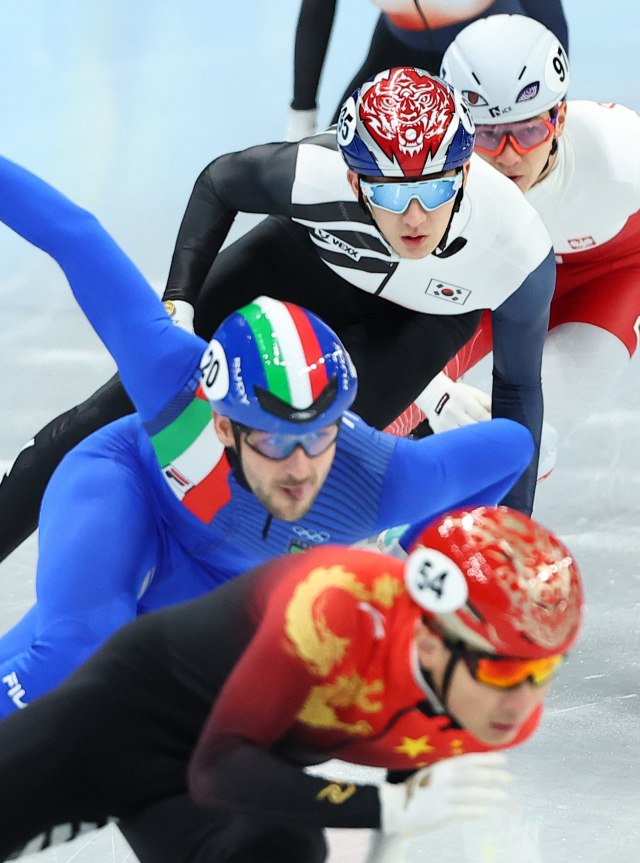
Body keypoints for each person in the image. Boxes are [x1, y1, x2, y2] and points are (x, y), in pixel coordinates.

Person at [0, 153, 535, 719]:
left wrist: (416, 565)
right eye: (276, 442)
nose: (302, 469)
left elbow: (513, 449)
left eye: (322, 436)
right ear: (222, 424)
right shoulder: (174, 379)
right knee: (77, 653)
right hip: (122, 490)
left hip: (214, 571)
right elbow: (74, 235)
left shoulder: (376, 480)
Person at [0, 69, 555, 566]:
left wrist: (516, 540)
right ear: (355, 179)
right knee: (105, 416)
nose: (415, 216)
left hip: (419, 320)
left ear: (463, 172)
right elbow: (219, 183)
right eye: (389, 191)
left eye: (435, 188)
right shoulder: (315, 173)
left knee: (302, 477)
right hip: (302, 263)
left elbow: (518, 395)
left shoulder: (517, 248)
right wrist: (180, 304)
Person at [0, 505, 584, 863]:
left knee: (283, 851)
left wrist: (397, 808)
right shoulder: (332, 604)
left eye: (543, 671)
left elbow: (410, 779)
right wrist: (385, 806)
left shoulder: (496, 712)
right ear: (433, 637)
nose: (525, 701)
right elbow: (221, 765)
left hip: (211, 784)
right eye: (505, 670)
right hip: (125, 721)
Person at [394, 15, 640, 477]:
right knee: (393, 403)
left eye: (529, 131)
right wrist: (429, 393)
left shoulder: (624, 154)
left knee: (528, 445)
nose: (508, 154)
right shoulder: (429, 175)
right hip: (497, 279)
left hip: (609, 280)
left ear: (560, 116)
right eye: (487, 135)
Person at [286, 0, 568, 141]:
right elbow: (316, 16)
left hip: (493, 48)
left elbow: (546, 10)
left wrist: (558, 102)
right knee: (334, 156)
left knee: (503, 158)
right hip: (401, 43)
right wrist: (301, 120)